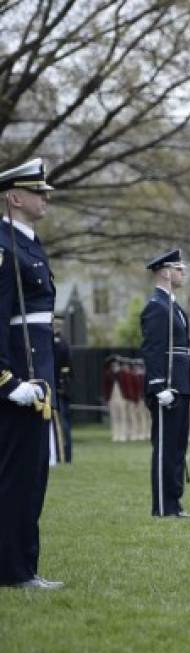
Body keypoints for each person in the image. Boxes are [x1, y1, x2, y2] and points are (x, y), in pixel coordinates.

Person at [0, 158, 62, 590]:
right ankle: (13, 570)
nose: (46, 198)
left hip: (37, 376)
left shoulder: (28, 242)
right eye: (38, 192)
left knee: (32, 476)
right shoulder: (4, 246)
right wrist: (6, 381)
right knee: (16, 476)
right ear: (14, 197)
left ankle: (24, 567)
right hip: (19, 378)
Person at [140, 249, 190, 518]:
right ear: (164, 272)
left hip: (180, 385)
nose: (183, 272)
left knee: (177, 448)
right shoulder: (156, 307)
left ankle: (174, 503)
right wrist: (159, 385)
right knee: (165, 448)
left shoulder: (171, 305)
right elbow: (152, 349)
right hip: (168, 387)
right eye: (179, 268)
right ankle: (162, 506)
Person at [52, 312, 72, 464]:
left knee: (61, 424)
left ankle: (63, 455)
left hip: (58, 388)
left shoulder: (59, 343)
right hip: (58, 387)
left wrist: (60, 386)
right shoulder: (59, 341)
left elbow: (65, 369)